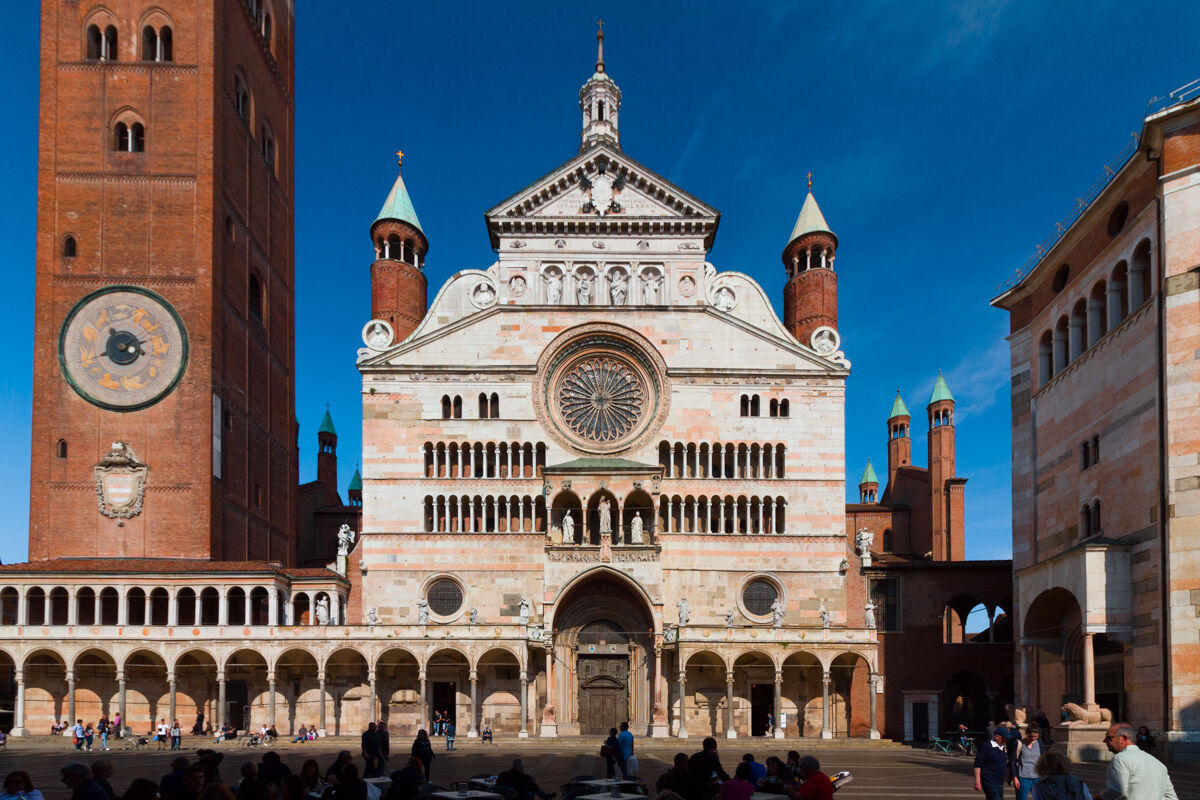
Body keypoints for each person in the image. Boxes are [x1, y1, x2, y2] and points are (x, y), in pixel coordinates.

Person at [1101, 723, 1178, 800]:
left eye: (1109, 738)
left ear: (1123, 739)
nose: (1104, 741)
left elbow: (1117, 791)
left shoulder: (1120, 758)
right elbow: (1172, 797)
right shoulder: (1158, 763)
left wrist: (1098, 797)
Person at [973, 728, 1011, 800]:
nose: (1007, 740)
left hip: (999, 781)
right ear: (997, 737)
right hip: (990, 780)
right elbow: (978, 764)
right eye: (1005, 738)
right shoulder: (986, 746)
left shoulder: (1002, 747)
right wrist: (977, 781)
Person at [1013, 726, 1043, 800]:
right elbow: (1013, 762)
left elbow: (1042, 760)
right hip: (1023, 778)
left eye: (1035, 736)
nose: (1033, 738)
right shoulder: (1019, 744)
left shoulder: (1039, 744)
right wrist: (1015, 777)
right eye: (1031, 736)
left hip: (1037, 778)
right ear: (1026, 734)